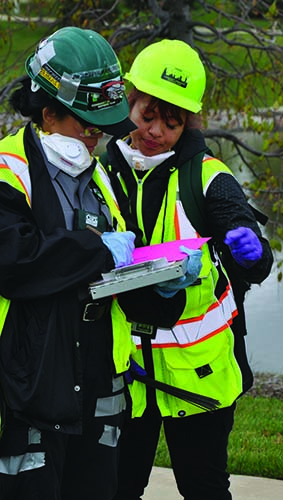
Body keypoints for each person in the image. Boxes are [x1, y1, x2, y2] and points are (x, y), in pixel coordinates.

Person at [103, 39, 273, 500]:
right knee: (116, 486)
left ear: (188, 124)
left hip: (198, 373)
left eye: (172, 123)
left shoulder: (208, 176)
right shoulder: (102, 169)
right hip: (126, 372)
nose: (156, 130)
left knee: (205, 489)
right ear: (129, 102)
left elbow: (251, 245)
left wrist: (252, 251)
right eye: (147, 115)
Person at [0, 27, 138, 500]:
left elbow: (111, 269)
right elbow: (15, 261)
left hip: (99, 386)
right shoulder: (7, 172)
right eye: (88, 124)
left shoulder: (100, 177)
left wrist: (156, 276)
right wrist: (98, 249)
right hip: (31, 385)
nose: (97, 137)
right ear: (49, 111)